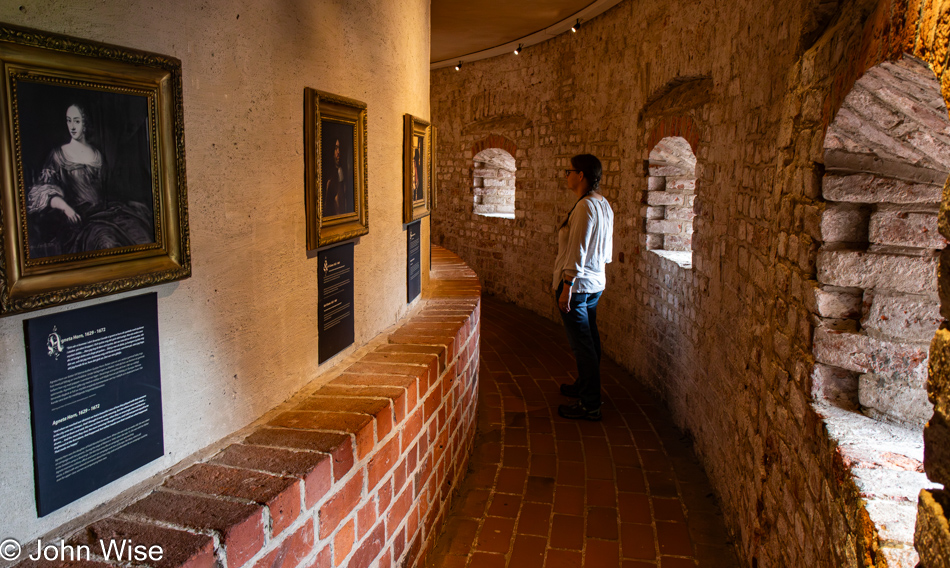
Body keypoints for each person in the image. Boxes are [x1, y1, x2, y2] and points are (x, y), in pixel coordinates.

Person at [26, 103, 153, 259]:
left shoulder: (97, 155)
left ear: (85, 123)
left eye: (77, 121)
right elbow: (44, 190)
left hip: (106, 213)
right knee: (106, 243)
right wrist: (65, 207)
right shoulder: (58, 155)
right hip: (80, 219)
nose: (72, 126)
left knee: (141, 236)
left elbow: (108, 190)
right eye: (69, 120)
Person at [553, 154, 614, 421]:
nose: (566, 175)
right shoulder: (603, 204)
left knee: (583, 347)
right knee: (590, 342)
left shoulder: (585, 207)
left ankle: (590, 404)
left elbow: (577, 250)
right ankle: (584, 386)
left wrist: (567, 285)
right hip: (595, 283)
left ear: (581, 175)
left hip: (577, 287)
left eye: (570, 171)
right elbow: (606, 252)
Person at [324, 138, 353, 216]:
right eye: (336, 148)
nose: (338, 152)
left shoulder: (346, 174)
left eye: (340, 148)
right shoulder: (329, 181)